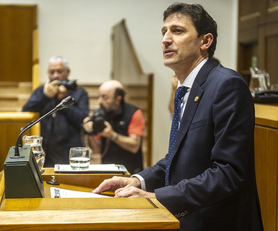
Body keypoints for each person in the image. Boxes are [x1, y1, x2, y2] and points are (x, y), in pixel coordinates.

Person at [92, 3, 263, 231]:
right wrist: (137, 180)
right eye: (164, 31)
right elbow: (179, 158)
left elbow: (227, 172)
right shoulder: (185, 89)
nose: (165, 39)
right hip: (187, 220)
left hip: (218, 222)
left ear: (205, 41)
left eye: (178, 31)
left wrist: (156, 197)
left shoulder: (226, 85)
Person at [22, 56, 89, 166]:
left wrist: (63, 100)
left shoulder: (79, 92)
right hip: (46, 149)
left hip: (70, 149)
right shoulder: (42, 91)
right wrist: (45, 96)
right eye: (52, 72)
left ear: (68, 72)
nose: (55, 76)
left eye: (59, 71)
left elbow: (82, 119)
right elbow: (26, 111)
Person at [83, 80, 145, 174]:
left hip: (130, 172)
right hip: (108, 170)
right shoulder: (101, 114)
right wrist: (91, 132)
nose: (99, 101)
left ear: (118, 99)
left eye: (105, 97)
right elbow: (97, 150)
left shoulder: (134, 113)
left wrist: (112, 135)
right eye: (99, 97)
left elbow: (134, 146)